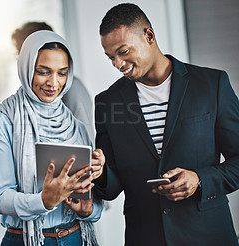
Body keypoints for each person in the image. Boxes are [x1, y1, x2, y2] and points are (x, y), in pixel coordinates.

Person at [94, 3, 239, 246]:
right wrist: (100, 172)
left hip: (209, 236)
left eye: (123, 51)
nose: (118, 65)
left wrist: (200, 180)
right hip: (146, 238)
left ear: (149, 36)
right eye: (111, 57)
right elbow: (111, 186)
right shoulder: (107, 102)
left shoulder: (211, 84)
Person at [0, 30, 105, 246]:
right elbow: (1, 199)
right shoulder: (0, 124)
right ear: (27, 69)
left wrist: (89, 208)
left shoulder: (76, 127)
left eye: (62, 73)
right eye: (43, 72)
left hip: (77, 236)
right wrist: (44, 201)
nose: (53, 83)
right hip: (27, 240)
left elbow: (92, 202)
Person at [12, 22, 96, 142]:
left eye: (26, 50)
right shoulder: (27, 95)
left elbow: (84, 140)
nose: (22, 58)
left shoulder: (73, 88)